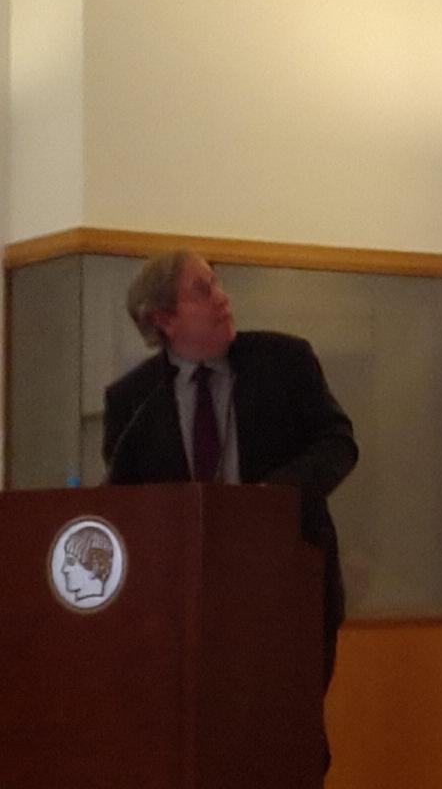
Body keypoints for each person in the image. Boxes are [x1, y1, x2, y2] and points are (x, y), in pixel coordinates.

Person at [102, 249, 357, 764]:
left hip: (286, 591)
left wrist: (274, 496)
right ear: (164, 318)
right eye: (203, 290)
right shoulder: (132, 400)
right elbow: (124, 502)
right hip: (184, 610)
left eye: (217, 283)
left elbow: (338, 443)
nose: (223, 298)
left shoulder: (285, 362)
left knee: (288, 748)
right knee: (200, 750)